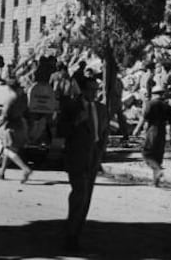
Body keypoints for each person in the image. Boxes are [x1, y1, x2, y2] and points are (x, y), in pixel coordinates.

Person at [58, 76, 108, 253]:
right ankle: (70, 236)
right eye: (91, 90)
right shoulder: (71, 107)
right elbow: (61, 131)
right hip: (77, 157)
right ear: (83, 90)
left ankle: (75, 235)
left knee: (86, 198)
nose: (95, 93)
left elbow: (103, 133)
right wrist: (77, 121)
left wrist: (100, 154)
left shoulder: (101, 108)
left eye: (97, 89)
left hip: (93, 157)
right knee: (79, 195)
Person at [0, 77, 32, 183]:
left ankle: (25, 169)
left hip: (11, 127)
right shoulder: (23, 97)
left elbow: (4, 116)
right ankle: (1, 172)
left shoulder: (10, 99)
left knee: (8, 151)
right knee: (10, 150)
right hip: (21, 125)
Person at [142, 85, 171, 186]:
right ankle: (155, 182)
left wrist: (137, 129)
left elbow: (144, 118)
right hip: (162, 131)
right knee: (158, 156)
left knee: (147, 154)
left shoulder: (150, 104)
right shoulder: (167, 106)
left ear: (153, 94)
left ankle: (158, 170)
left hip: (152, 130)